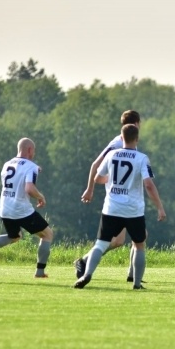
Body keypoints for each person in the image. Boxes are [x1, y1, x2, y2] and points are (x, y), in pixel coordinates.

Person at [74, 123, 166, 289]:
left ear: (121, 138)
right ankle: (136, 284)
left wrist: (110, 180)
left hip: (111, 208)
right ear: (137, 139)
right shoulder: (142, 158)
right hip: (133, 210)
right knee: (139, 245)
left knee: (100, 244)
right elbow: (149, 185)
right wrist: (159, 206)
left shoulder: (112, 155)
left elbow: (98, 178)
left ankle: (86, 275)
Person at [0, 138, 54, 278]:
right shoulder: (30, 166)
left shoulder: (7, 164)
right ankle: (40, 272)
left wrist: (35, 169)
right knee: (47, 234)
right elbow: (29, 188)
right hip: (21, 209)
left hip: (5, 208)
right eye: (34, 150)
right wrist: (40, 196)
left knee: (14, 236)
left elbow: (18, 175)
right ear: (29, 150)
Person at [75, 110, 142, 282]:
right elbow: (95, 165)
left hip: (126, 199)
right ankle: (132, 275)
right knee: (138, 237)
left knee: (120, 241)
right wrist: (90, 189)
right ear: (136, 124)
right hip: (118, 200)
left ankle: (130, 274)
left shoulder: (128, 142)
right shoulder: (118, 143)